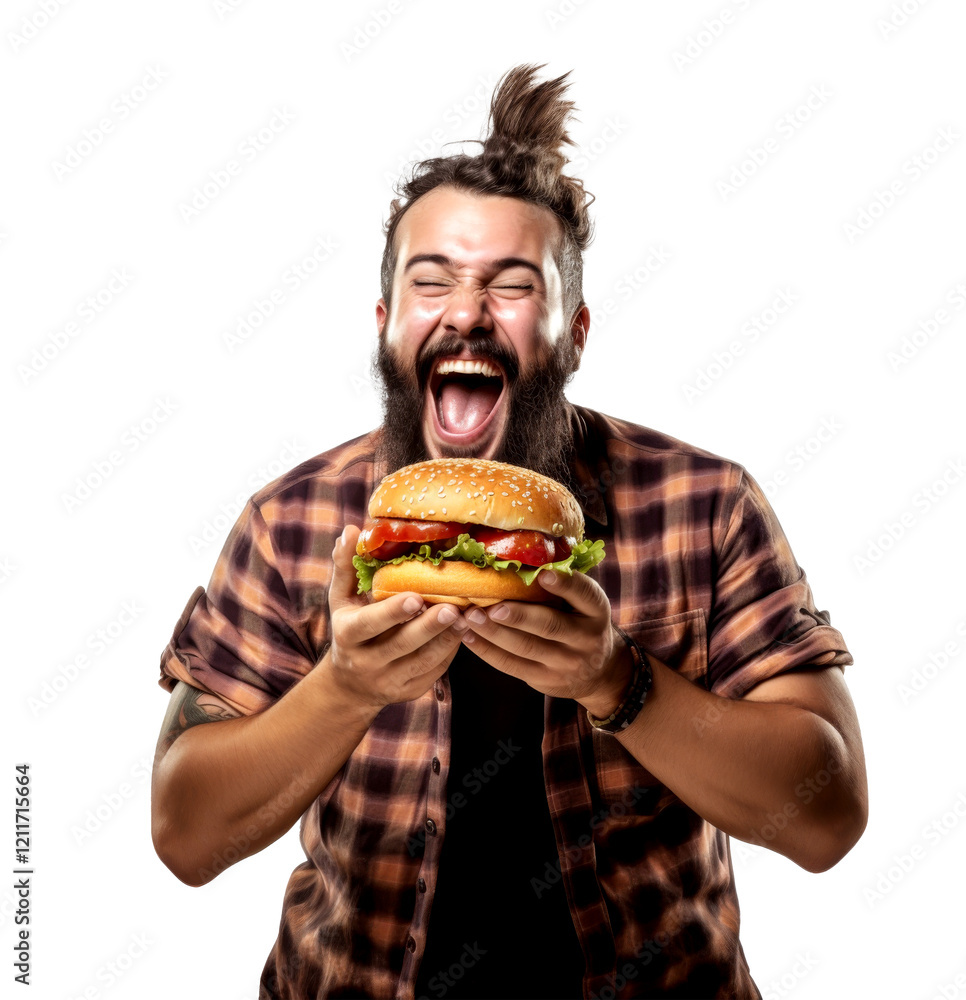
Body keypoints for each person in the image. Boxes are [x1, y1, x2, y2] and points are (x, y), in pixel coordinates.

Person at [152, 64, 867, 1000]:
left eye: (511, 285)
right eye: (433, 280)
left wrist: (618, 680)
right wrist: (344, 689)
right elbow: (184, 836)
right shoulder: (293, 523)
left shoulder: (706, 504)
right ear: (386, 322)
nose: (465, 312)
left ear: (573, 332)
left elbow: (830, 815)